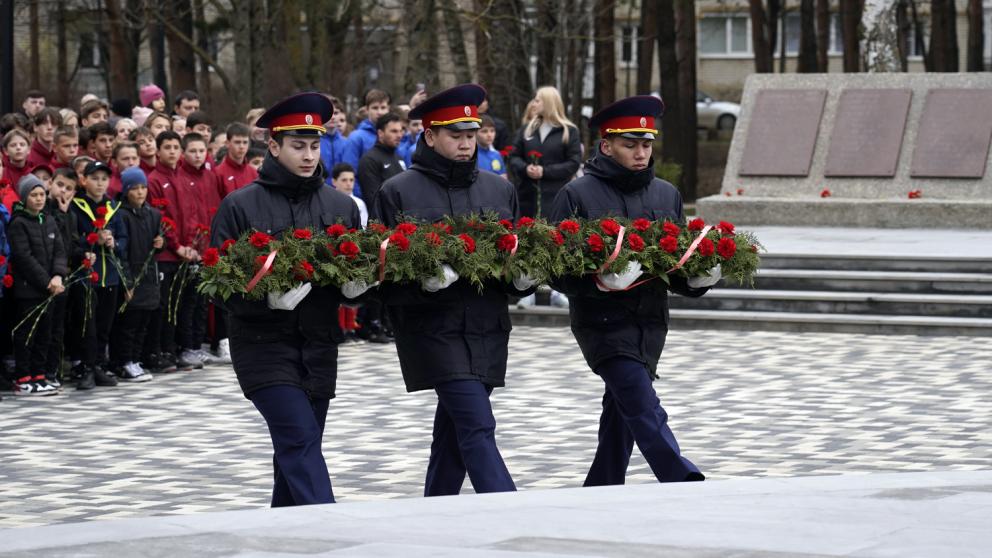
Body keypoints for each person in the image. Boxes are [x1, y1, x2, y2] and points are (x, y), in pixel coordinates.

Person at [371, 84, 534, 497]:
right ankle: (508, 509)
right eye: (454, 136)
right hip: (432, 327)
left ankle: (434, 510)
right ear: (429, 136)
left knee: (453, 434)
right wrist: (421, 281)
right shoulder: (398, 191)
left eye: (470, 134)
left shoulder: (499, 189)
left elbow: (512, 256)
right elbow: (382, 272)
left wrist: (522, 277)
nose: (465, 144)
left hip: (486, 325)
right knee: (478, 424)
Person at [549, 95, 718, 487]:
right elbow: (554, 268)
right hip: (602, 322)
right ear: (606, 146)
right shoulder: (576, 196)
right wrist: (598, 281)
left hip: (650, 321)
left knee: (622, 408)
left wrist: (697, 280)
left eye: (646, 144)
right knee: (642, 404)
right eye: (630, 144)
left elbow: (675, 265)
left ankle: (601, 486)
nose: (641, 153)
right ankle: (680, 475)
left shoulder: (666, 194)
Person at [210, 91, 366, 507]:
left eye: (315, 145)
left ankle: (283, 535)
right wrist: (265, 301)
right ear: (274, 146)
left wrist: (360, 289)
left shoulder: (341, 205)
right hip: (263, 345)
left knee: (297, 449)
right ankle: (334, 531)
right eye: (298, 146)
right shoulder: (239, 205)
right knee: (299, 439)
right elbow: (219, 283)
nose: (309, 155)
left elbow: (356, 272)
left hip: (318, 345)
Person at [69, 160, 128, 390]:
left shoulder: (114, 207)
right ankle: (85, 367)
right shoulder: (76, 206)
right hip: (86, 276)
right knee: (87, 326)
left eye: (104, 178)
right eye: (94, 178)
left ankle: (99, 366)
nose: (100, 183)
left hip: (110, 275)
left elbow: (124, 240)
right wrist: (89, 242)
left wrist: (114, 242)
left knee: (104, 325)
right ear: (84, 180)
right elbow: (71, 240)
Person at [8, 175, 67, 396]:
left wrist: (58, 275)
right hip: (29, 289)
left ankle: (39, 375)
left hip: (51, 288)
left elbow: (59, 251)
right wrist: (46, 282)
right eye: (33, 195)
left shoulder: (49, 220)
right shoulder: (18, 223)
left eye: (42, 194)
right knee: (28, 333)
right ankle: (23, 377)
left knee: (45, 332)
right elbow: (24, 257)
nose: (39, 199)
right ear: (25, 197)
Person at [109, 167, 161, 382]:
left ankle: (135, 359)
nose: (140, 192)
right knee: (129, 323)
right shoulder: (121, 214)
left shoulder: (153, 214)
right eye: (135, 188)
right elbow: (121, 251)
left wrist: (160, 242)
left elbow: (155, 241)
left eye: (143, 187)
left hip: (148, 274)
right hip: (131, 272)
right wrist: (127, 281)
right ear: (126, 191)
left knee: (143, 321)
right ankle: (124, 361)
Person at [508, 86, 582, 219]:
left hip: (557, 199)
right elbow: (514, 156)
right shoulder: (526, 129)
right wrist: (525, 169)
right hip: (527, 200)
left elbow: (573, 163)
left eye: (537, 100)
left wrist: (545, 171)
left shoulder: (569, 131)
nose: (533, 103)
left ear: (548, 103)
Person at [343, 89, 392, 199]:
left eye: (383, 108)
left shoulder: (393, 135)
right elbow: (350, 172)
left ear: (388, 109)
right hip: (365, 200)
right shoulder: (356, 138)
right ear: (366, 110)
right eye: (375, 108)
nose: (379, 112)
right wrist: (361, 200)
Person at [356, 112, 405, 206]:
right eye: (394, 131)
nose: (399, 135)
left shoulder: (399, 158)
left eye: (401, 131)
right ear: (380, 133)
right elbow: (373, 199)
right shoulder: (369, 160)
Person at [215, 123, 258, 197]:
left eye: (245, 142)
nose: (242, 146)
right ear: (227, 143)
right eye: (237, 142)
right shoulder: (218, 173)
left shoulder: (254, 173)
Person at [319, 96, 349, 187]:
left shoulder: (347, 142)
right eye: (328, 113)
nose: (332, 117)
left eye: (335, 113)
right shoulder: (314, 143)